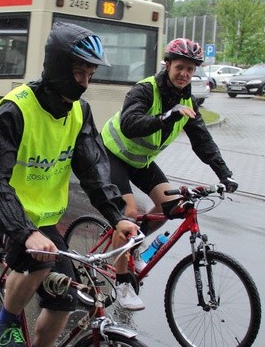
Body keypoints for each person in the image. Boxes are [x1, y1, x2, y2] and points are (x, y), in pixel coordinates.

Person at [0, 22, 138, 347]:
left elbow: (94, 169)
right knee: (38, 258)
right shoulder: (16, 110)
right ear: (59, 68)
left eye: (91, 74)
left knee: (65, 298)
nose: (85, 82)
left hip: (40, 216)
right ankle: (5, 320)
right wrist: (23, 231)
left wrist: (117, 216)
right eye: (79, 73)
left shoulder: (78, 112)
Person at [101, 38, 238, 310]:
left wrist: (225, 174)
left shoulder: (187, 101)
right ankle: (123, 283)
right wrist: (166, 117)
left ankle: (131, 246)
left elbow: (202, 140)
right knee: (128, 213)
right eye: (180, 67)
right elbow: (129, 124)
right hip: (112, 153)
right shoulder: (145, 90)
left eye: (190, 69)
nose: (184, 74)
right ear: (168, 65)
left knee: (171, 207)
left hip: (140, 160)